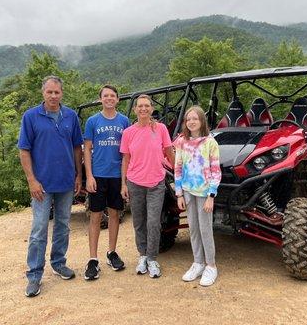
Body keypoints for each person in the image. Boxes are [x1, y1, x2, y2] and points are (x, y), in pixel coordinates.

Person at [18, 75, 83, 297]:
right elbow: (24, 150)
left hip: (66, 181)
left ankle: (58, 263)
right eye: (49, 92)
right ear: (43, 93)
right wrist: (32, 181)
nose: (53, 96)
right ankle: (34, 275)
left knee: (63, 225)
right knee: (38, 230)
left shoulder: (71, 116)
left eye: (57, 92)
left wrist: (78, 175)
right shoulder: (31, 117)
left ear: (61, 93)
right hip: (41, 185)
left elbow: (77, 148)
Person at [120, 94, 174, 278]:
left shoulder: (160, 129)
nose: (143, 109)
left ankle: (152, 258)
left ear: (151, 109)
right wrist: (123, 184)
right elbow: (126, 159)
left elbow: (169, 152)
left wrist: (179, 174)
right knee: (138, 222)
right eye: (140, 106)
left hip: (156, 183)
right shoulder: (128, 132)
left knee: (153, 222)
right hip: (134, 182)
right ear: (135, 110)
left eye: (147, 106)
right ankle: (142, 255)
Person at [83, 85, 130, 280]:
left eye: (112, 96)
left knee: (114, 214)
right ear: (100, 99)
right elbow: (86, 149)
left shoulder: (124, 121)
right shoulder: (93, 121)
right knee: (95, 216)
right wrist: (89, 176)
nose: (109, 98)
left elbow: (127, 152)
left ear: (118, 99)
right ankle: (93, 259)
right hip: (98, 175)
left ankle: (111, 252)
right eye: (105, 96)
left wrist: (125, 181)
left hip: (117, 175)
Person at [174, 105, 221, 286]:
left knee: (205, 229)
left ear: (202, 121)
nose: (191, 122)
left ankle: (211, 265)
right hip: (187, 191)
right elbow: (177, 168)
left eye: (195, 118)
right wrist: (179, 194)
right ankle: (198, 262)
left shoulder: (210, 142)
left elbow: (216, 171)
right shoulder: (181, 142)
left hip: (204, 192)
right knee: (193, 228)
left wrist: (211, 195)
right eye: (188, 119)